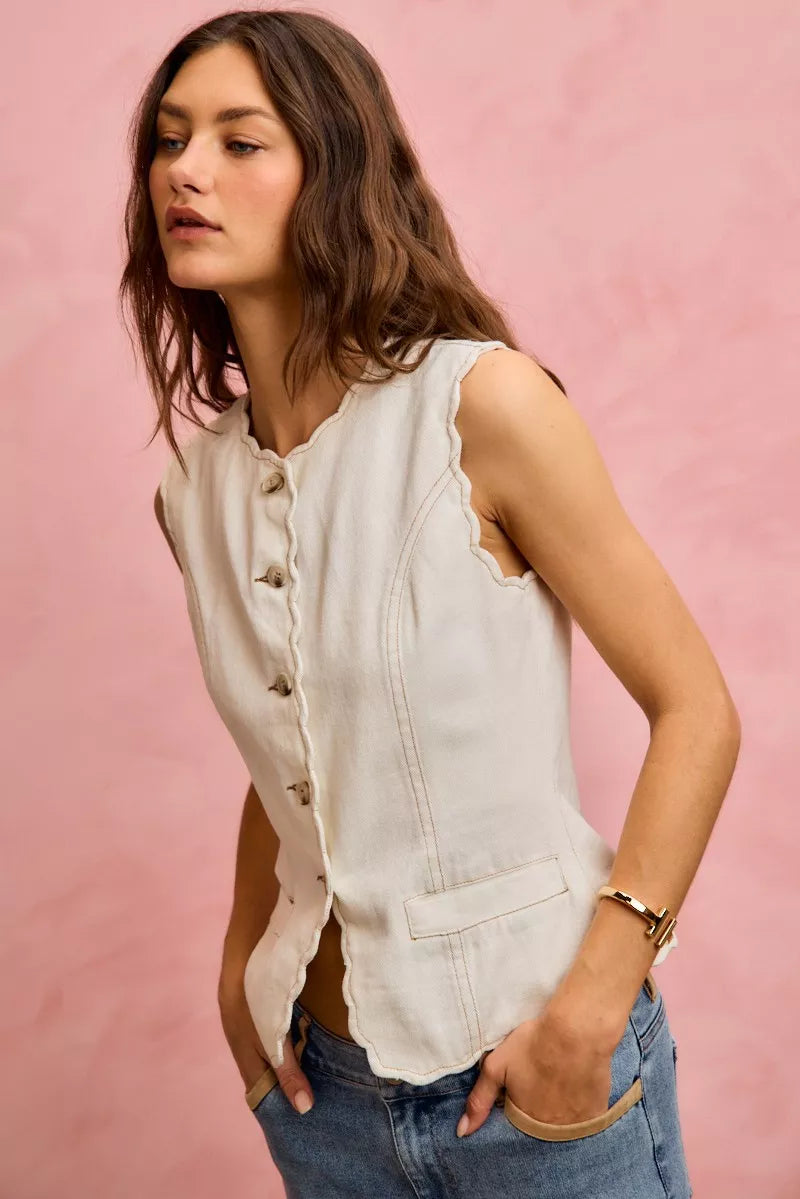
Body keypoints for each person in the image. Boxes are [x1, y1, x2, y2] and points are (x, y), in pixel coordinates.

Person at [120, 10, 740, 1197]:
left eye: (239, 141)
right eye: (169, 138)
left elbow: (696, 709)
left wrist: (592, 1002)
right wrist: (239, 965)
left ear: (334, 171)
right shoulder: (194, 492)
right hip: (324, 1101)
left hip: (536, 1090)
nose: (184, 171)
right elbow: (296, 748)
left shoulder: (480, 405)